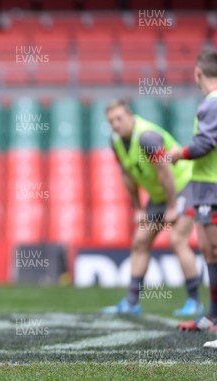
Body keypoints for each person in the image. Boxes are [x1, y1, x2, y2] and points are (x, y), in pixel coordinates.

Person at [101, 100, 203, 317]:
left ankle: (194, 301)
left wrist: (173, 206)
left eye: (119, 119)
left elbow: (165, 173)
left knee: (177, 240)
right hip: (159, 195)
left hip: (183, 186)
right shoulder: (116, 140)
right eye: (111, 121)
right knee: (140, 240)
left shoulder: (147, 137)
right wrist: (138, 208)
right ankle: (131, 302)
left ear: (130, 116)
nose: (116, 124)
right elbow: (127, 175)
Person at [168, 49, 217, 334]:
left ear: (198, 72)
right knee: (209, 252)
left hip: (212, 187)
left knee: (214, 251)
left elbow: (203, 146)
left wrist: (178, 153)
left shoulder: (211, 104)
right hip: (204, 188)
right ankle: (212, 316)